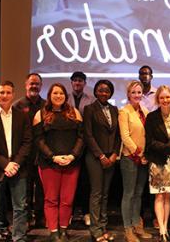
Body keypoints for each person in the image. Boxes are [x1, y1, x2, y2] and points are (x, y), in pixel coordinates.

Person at [0, 81, 32, 242]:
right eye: (1, 92)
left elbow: (27, 142)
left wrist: (15, 163)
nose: (5, 95)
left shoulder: (22, 116)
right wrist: (5, 164)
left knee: (20, 208)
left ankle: (19, 238)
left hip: (18, 167)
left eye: (8, 92)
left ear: (13, 95)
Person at [33, 83, 84, 242]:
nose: (58, 96)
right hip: (49, 163)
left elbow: (81, 137)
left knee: (67, 199)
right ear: (49, 95)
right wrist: (53, 157)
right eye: (55, 93)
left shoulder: (74, 113)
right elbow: (38, 140)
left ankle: (63, 229)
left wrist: (73, 156)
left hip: (71, 163)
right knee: (51, 199)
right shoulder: (40, 114)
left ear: (65, 96)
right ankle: (54, 231)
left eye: (61, 93)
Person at [145, 85, 170, 242]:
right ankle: (161, 230)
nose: (165, 100)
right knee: (159, 196)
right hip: (158, 161)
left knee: (168, 196)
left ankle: (165, 228)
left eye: (167, 97)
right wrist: (169, 147)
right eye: (162, 97)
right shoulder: (152, 117)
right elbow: (150, 142)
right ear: (157, 99)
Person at [83, 80, 120, 242]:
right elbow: (88, 135)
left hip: (111, 156)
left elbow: (118, 134)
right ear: (96, 92)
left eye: (107, 91)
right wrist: (101, 156)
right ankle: (95, 229)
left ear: (111, 92)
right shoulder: (89, 109)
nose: (104, 93)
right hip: (95, 157)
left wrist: (113, 154)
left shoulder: (114, 109)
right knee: (97, 193)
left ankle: (103, 225)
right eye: (100, 90)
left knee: (105, 194)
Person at [119, 80, 153, 242]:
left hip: (143, 159)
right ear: (128, 94)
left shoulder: (145, 111)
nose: (137, 95)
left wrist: (146, 155)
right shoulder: (124, 112)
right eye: (134, 92)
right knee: (129, 194)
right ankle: (128, 229)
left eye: (139, 92)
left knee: (138, 194)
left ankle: (136, 225)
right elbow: (125, 136)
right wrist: (139, 153)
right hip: (130, 158)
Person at [13, 73, 46, 228]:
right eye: (31, 83)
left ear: (41, 86)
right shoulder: (17, 105)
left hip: (41, 154)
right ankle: (25, 219)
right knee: (25, 189)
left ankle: (40, 217)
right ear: (26, 85)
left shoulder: (46, 105)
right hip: (24, 154)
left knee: (41, 188)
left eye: (37, 84)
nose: (34, 86)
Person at [68, 71, 95, 226]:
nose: (77, 83)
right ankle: (69, 212)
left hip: (86, 146)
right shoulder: (65, 99)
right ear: (71, 82)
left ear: (85, 83)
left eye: (80, 81)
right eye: (75, 81)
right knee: (70, 181)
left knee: (85, 181)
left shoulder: (90, 100)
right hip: (68, 146)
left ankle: (85, 212)